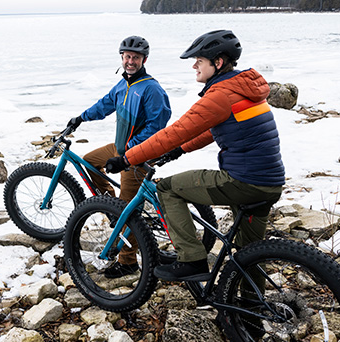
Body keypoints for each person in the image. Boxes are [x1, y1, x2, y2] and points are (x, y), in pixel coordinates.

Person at [105, 30, 284, 282]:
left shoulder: (220, 95)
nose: (194, 66)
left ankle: (192, 260)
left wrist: (126, 159)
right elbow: (212, 130)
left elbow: (175, 132)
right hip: (269, 184)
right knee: (249, 254)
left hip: (243, 181)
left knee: (167, 189)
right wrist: (180, 151)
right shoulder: (242, 89)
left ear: (217, 63)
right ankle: (248, 312)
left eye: (199, 61)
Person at [67, 35, 171, 278]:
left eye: (135, 57)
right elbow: (104, 105)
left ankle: (128, 262)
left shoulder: (151, 89)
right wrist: (80, 118)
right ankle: (112, 210)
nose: (130, 61)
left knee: (128, 209)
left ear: (144, 59)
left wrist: (129, 151)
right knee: (90, 162)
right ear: (122, 58)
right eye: (127, 57)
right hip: (119, 149)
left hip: (137, 155)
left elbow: (157, 126)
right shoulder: (123, 84)